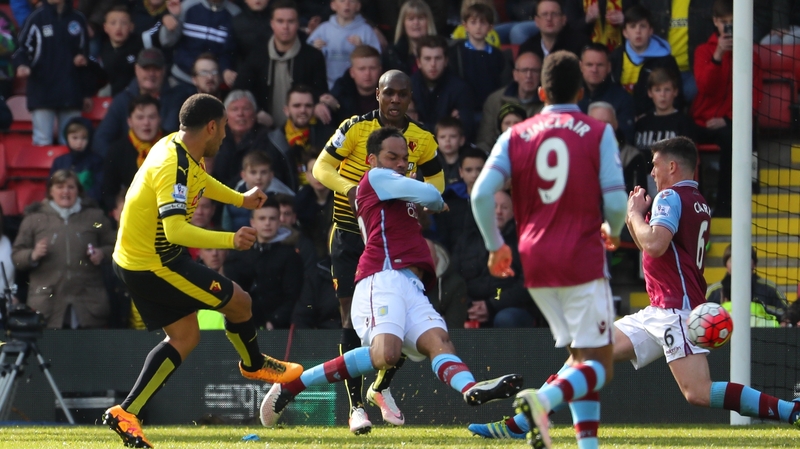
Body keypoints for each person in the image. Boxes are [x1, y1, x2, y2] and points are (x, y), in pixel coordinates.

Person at [469, 136, 800, 443]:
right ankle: (524, 422)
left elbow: (655, 244)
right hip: (660, 307)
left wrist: (633, 214)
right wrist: (632, 222)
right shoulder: (698, 200)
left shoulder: (670, 196)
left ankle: (790, 411)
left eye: (656, 164)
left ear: (672, 166)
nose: (653, 172)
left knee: (697, 392)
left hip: (675, 310)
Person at [259, 127, 523, 429]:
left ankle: (470, 388)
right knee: (386, 354)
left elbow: (425, 198)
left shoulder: (396, 189)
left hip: (412, 285)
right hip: (381, 276)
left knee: (439, 342)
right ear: (372, 159)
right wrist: (434, 201)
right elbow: (431, 194)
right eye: (392, 156)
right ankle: (294, 384)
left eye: (404, 158)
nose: (400, 163)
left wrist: (430, 201)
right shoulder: (374, 178)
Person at [102, 94, 304, 449]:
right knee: (240, 303)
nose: (225, 135)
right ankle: (253, 364)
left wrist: (240, 200)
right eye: (224, 127)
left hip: (143, 259)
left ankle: (126, 412)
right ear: (211, 126)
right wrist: (231, 238)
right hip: (154, 264)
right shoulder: (171, 164)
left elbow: (200, 180)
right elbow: (176, 230)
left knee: (184, 338)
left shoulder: (178, 146)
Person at [470, 50, 627, 449]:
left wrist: (494, 246)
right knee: (601, 365)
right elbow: (614, 199)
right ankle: (541, 403)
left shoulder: (515, 134)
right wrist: (614, 227)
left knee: (580, 357)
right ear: (581, 91)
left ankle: (586, 445)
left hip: (534, 260)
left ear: (540, 91)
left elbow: (481, 194)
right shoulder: (596, 130)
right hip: (581, 256)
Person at [311, 69, 444, 434]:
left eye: (403, 94)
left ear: (410, 97)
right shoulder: (354, 128)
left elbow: (438, 184)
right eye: (389, 93)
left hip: (394, 241)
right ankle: (356, 408)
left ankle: (381, 387)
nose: (396, 100)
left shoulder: (422, 139)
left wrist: (417, 192)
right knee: (349, 319)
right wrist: (352, 188)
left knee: (401, 317)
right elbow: (320, 167)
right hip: (351, 235)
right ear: (378, 96)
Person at [12, 169, 116, 329]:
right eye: (60, 187)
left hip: (89, 304)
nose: (65, 191)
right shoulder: (33, 219)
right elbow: (17, 256)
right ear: (50, 191)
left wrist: (102, 253)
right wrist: (32, 255)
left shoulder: (96, 217)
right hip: (48, 305)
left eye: (71, 187)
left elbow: (117, 248)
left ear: (78, 191)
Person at [691, 0, 762, 217]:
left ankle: (724, 205)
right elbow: (705, 87)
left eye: (732, 22)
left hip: (727, 122)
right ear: (715, 22)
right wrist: (717, 56)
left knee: (733, 139)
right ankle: (694, 205)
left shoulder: (751, 55)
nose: (728, 26)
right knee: (682, 140)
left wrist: (729, 119)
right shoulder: (703, 51)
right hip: (700, 119)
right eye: (724, 22)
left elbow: (755, 96)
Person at [234, 0, 328, 127]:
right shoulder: (257, 55)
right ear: (272, 23)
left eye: (291, 21)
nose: (285, 27)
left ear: (298, 24)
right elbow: (240, 90)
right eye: (280, 21)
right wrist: (257, 112)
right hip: (263, 130)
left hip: (303, 128)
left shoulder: (313, 57)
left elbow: (320, 92)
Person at [14, 0, 92, 146]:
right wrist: (22, 65)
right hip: (42, 90)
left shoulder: (78, 19)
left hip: (71, 90)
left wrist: (86, 93)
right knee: (42, 142)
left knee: (71, 144)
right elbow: (21, 50)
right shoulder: (35, 18)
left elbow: (86, 57)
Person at [224, 199, 304, 330]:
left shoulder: (291, 256)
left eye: (272, 218)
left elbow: (294, 296)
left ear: (279, 222)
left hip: (280, 329)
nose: (267, 223)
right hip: (244, 325)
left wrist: (274, 322)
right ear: (252, 222)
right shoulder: (238, 256)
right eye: (262, 218)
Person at [93, 48, 175, 157]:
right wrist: (121, 164)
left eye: (156, 69)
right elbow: (100, 140)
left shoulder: (177, 99)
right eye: (146, 68)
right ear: (136, 69)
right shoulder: (122, 101)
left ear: (164, 71)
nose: (151, 73)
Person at [609, 5, 683, 117]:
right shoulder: (616, 57)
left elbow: (676, 98)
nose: (638, 31)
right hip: (621, 116)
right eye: (632, 26)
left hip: (654, 118)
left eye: (643, 26)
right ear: (625, 32)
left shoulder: (666, 60)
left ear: (650, 31)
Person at [101, 95, 164, 214]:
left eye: (152, 117)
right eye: (140, 118)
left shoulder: (172, 144)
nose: (146, 123)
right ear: (129, 121)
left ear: (159, 119)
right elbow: (108, 193)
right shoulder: (116, 151)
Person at [159, 0, 240, 89]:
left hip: (212, 84)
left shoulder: (235, 13)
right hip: (182, 78)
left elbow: (230, 52)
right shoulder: (188, 5)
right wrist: (173, 18)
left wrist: (225, 69)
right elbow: (166, 41)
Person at [267, 85, 332, 191]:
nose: (303, 110)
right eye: (297, 106)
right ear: (286, 110)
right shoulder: (274, 140)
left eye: (308, 106)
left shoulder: (329, 136)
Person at [706, 244, 789, 327]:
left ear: (754, 264)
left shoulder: (770, 289)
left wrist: (763, 308)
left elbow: (787, 314)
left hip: (765, 337)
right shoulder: (714, 291)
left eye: (744, 260)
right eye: (732, 261)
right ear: (726, 265)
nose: (739, 265)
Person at [447, 2, 507, 117]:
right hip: (465, 109)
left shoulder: (497, 55)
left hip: (491, 109)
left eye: (483, 22)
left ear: (490, 27)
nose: (478, 26)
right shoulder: (457, 52)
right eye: (473, 22)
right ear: (465, 26)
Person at [477, 51, 543, 153]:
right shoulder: (495, 100)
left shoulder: (548, 103)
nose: (529, 75)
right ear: (515, 74)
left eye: (534, 71)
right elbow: (485, 142)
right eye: (524, 70)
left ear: (541, 75)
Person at [307, 0, 381, 90]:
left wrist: (363, 48)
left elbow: (377, 58)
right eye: (342, 1)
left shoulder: (366, 30)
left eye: (352, 1)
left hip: (355, 87)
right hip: (328, 84)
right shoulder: (323, 29)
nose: (347, 4)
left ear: (358, 6)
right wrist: (314, 48)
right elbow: (306, 53)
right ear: (333, 5)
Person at [410, 35, 474, 136]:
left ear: (446, 61)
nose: (433, 64)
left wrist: (421, 126)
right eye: (427, 59)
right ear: (418, 62)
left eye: (438, 58)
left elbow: (464, 129)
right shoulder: (408, 87)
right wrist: (448, 124)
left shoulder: (460, 88)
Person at [576, 43, 635, 145]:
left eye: (600, 65)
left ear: (609, 67)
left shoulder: (623, 99)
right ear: (581, 66)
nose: (594, 70)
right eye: (589, 65)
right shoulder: (571, 97)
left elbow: (626, 139)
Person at [222, 151, 294, 232]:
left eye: (263, 172)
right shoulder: (232, 200)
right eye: (253, 172)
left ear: (271, 175)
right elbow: (226, 230)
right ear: (243, 175)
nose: (258, 177)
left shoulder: (283, 199)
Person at [634, 68, 699, 154]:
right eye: (657, 90)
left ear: (675, 92)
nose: (662, 95)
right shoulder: (642, 123)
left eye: (667, 90)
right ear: (650, 93)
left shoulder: (684, 122)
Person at [161, 53, 224, 132]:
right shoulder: (184, 106)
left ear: (220, 76)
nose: (210, 77)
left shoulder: (230, 102)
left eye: (214, 72)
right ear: (194, 79)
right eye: (204, 73)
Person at [50, 117, 104, 205]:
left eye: (84, 138)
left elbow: (98, 190)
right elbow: (51, 187)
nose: (79, 142)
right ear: (67, 138)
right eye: (74, 138)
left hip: (88, 206)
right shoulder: (59, 162)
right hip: (61, 205)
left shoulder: (97, 161)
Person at [518, 0, 587, 62]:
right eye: (544, 14)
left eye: (554, 14)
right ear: (536, 21)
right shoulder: (528, 48)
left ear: (564, 19)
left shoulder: (580, 45)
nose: (549, 18)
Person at [328, 45, 381, 124]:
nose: (367, 73)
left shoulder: (392, 95)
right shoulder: (340, 94)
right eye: (362, 69)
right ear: (352, 72)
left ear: (380, 70)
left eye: (372, 68)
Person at [381, 0, 436, 75]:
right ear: (403, 24)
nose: (416, 22)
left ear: (428, 22)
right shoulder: (392, 54)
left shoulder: (441, 50)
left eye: (420, 18)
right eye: (411, 18)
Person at [100, 5, 142, 97]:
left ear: (131, 27)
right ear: (105, 27)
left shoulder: (138, 47)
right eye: (113, 23)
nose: (118, 28)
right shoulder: (104, 49)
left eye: (123, 23)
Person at [434, 117, 468, 187]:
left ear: (462, 140)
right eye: (442, 137)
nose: (447, 140)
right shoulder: (430, 162)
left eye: (453, 136)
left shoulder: (469, 160)